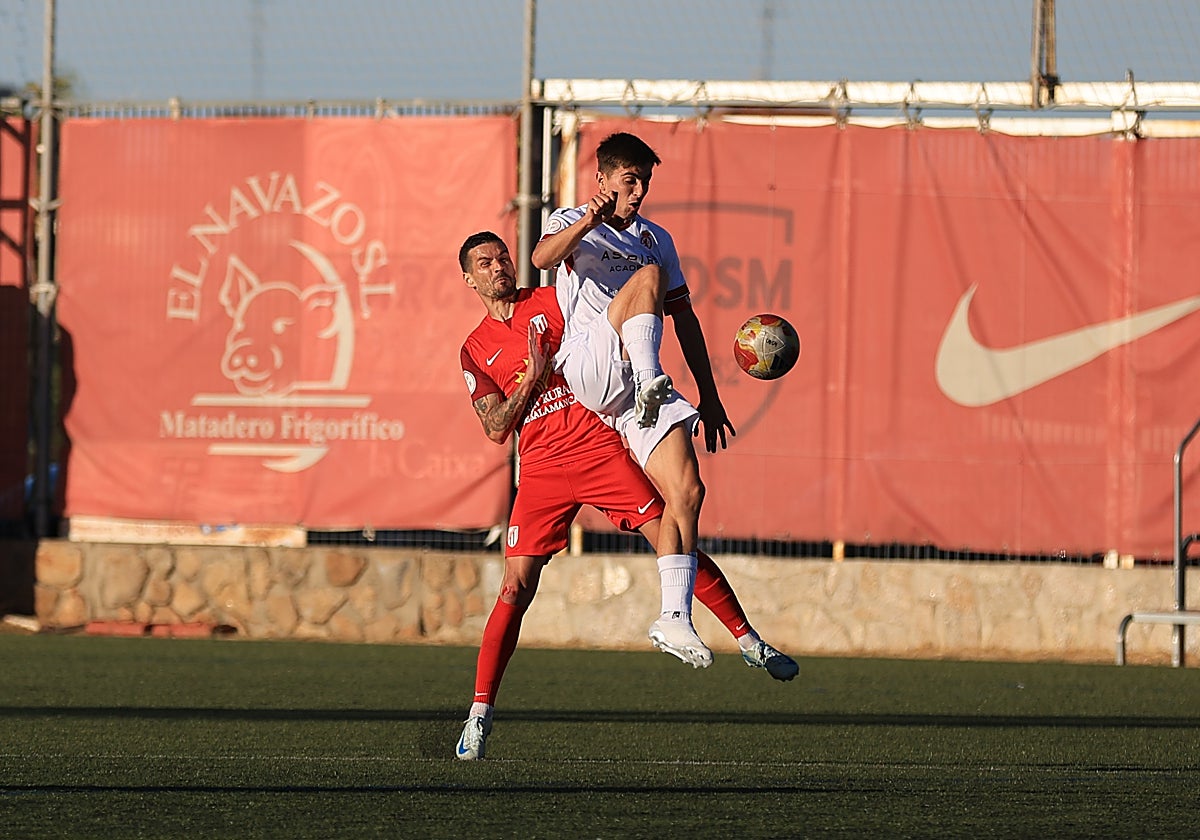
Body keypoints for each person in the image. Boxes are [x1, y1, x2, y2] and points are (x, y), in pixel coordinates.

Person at [454, 232, 796, 760]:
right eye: (485, 262)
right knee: (514, 588)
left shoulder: (551, 302)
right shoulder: (475, 348)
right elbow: (496, 427)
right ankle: (479, 715)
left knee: (669, 531)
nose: (498, 266)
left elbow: (606, 336)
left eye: (502, 256)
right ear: (469, 279)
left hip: (597, 446)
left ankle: (749, 640)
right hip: (541, 469)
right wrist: (532, 374)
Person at [531, 131, 734, 670]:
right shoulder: (572, 220)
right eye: (630, 179)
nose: (640, 190)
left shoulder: (655, 237)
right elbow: (541, 256)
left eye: (645, 180)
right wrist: (587, 222)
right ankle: (648, 379)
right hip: (593, 367)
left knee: (688, 492)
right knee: (648, 278)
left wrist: (709, 396)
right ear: (602, 180)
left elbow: (684, 320)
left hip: (643, 388)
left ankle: (673, 617)